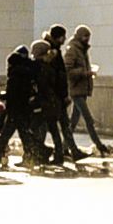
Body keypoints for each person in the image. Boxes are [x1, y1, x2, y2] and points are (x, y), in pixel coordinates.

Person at [0, 44, 53, 168]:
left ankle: (39, 152)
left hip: (23, 107)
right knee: (25, 134)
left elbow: (18, 91)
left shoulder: (22, 71)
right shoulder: (32, 68)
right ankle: (33, 155)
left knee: (22, 133)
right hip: (27, 106)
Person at [37, 26, 78, 164]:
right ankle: (55, 153)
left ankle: (44, 153)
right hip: (54, 97)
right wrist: (63, 95)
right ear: (58, 37)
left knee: (53, 125)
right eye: (63, 36)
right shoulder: (52, 53)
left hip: (53, 97)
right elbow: (58, 77)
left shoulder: (52, 51)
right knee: (54, 125)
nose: (65, 39)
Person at [65, 26, 107, 156]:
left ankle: (64, 146)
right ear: (79, 36)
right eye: (85, 36)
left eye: (88, 36)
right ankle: (100, 146)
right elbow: (68, 70)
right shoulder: (73, 50)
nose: (87, 39)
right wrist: (85, 73)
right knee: (89, 120)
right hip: (76, 89)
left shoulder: (82, 50)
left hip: (81, 89)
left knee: (73, 121)